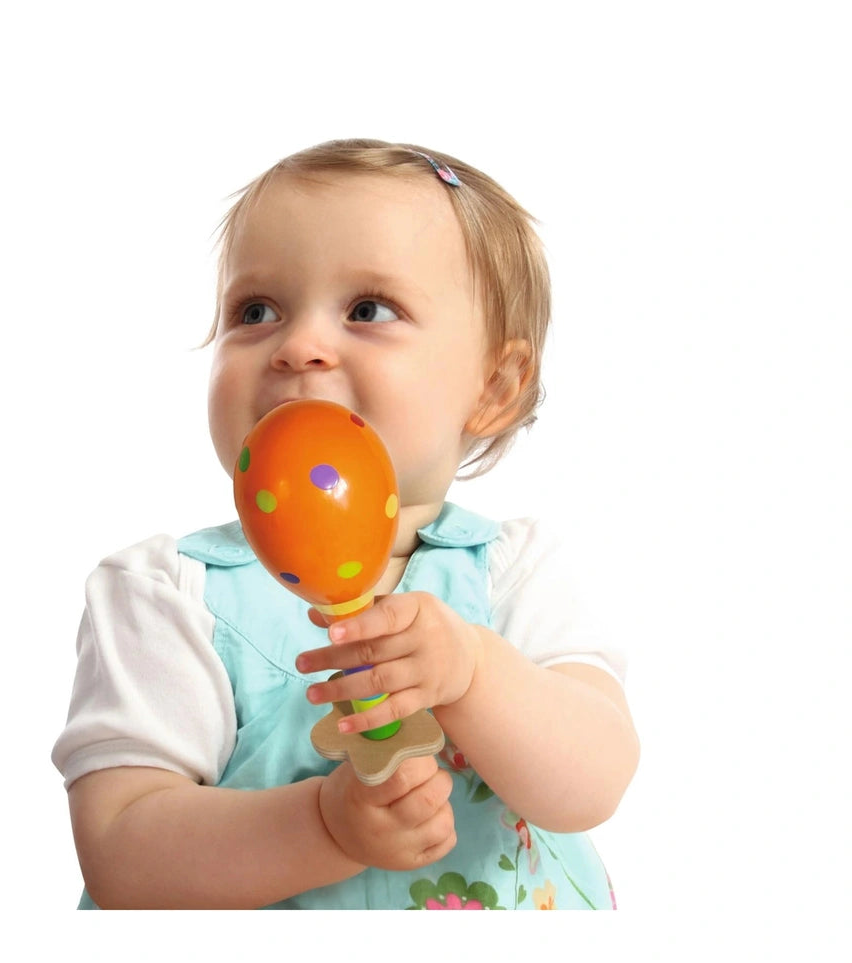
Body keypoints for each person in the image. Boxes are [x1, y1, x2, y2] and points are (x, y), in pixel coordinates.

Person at [51, 139, 640, 909]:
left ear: (494, 386)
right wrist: (321, 827)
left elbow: (593, 780)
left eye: (369, 310)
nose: (298, 347)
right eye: (255, 311)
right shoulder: (170, 595)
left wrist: (474, 671)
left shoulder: (512, 573)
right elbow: (122, 857)